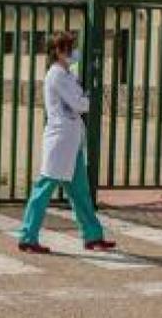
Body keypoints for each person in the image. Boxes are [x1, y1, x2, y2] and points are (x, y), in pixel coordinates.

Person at [14, 31, 113, 254]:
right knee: (43, 189)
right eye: (69, 48)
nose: (73, 52)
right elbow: (81, 104)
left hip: (72, 142)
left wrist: (85, 96)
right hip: (60, 142)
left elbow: (80, 100)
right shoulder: (56, 74)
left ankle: (93, 236)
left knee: (80, 192)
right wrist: (88, 97)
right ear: (58, 51)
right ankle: (27, 237)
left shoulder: (67, 73)